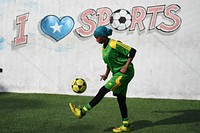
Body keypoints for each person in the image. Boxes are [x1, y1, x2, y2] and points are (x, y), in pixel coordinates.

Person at [69, 26, 136, 132]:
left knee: (103, 90)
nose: (96, 40)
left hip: (125, 73)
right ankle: (126, 125)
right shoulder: (103, 48)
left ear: (104, 36)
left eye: (98, 37)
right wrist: (106, 74)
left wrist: (125, 66)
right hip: (117, 74)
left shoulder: (114, 43)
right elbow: (110, 63)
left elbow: (132, 51)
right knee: (120, 98)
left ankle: (82, 112)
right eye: (95, 37)